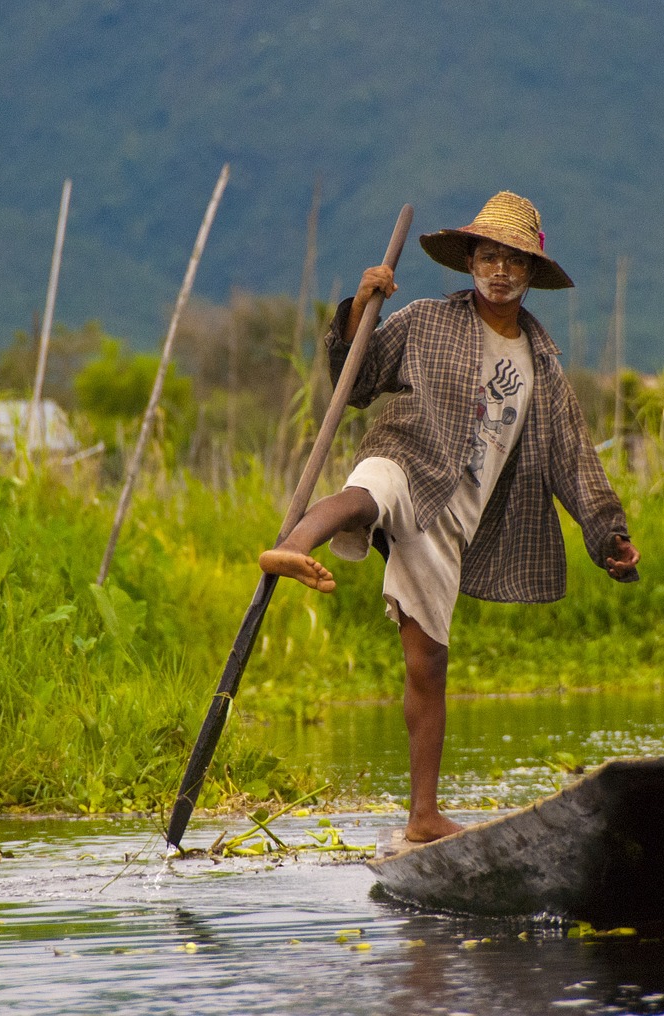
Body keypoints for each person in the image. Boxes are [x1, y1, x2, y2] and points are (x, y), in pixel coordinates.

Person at [259, 191, 640, 843]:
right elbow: (357, 382)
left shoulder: (541, 366)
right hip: (409, 452)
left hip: (453, 520)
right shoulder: (426, 320)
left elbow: (573, 457)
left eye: (513, 261)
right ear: (469, 261)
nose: (499, 271)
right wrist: (358, 312)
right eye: (488, 257)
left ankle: (423, 816)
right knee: (370, 489)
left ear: (531, 274)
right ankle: (291, 545)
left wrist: (608, 534)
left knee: (429, 663)